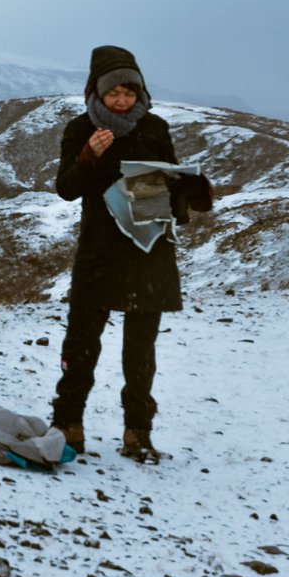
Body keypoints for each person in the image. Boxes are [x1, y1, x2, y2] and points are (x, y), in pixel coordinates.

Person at [50, 45, 193, 464]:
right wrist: (89, 156)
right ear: (96, 91)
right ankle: (68, 426)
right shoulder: (80, 130)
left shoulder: (155, 127)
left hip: (149, 249)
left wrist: (186, 187)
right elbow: (66, 188)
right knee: (81, 342)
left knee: (140, 349)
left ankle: (138, 433)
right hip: (100, 249)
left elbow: (171, 179)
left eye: (130, 93)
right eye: (115, 94)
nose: (123, 101)